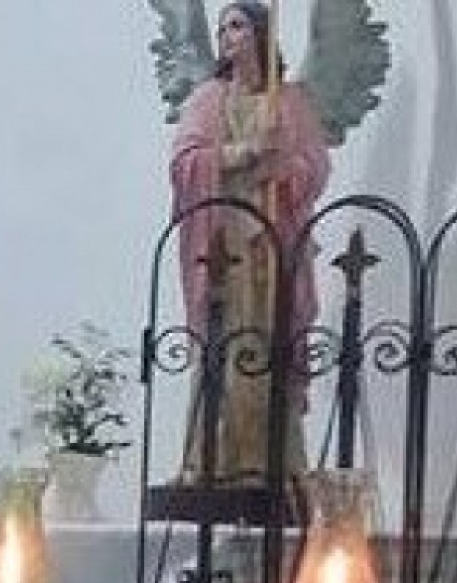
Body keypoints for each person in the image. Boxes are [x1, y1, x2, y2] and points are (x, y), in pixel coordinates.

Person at [170, 1, 328, 484]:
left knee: (266, 348)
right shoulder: (208, 99)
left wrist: (286, 168)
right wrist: (243, 153)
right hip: (222, 244)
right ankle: (211, 458)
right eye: (222, 28)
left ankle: (268, 461)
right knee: (223, 347)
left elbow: (316, 169)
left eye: (237, 26)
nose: (226, 35)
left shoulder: (289, 101)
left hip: (270, 244)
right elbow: (183, 164)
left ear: (260, 34)